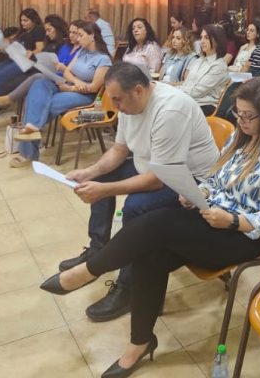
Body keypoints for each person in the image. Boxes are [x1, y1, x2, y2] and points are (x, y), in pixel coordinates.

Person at [40, 79, 260, 377]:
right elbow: (215, 180)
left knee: (157, 223)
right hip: (214, 216)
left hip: (246, 235)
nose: (240, 121)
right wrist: (197, 193)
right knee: (151, 251)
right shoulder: (240, 139)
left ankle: (89, 270)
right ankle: (140, 343)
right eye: (237, 113)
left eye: (248, 116)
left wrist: (231, 220)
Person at [55, 62, 219, 322]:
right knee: (100, 176)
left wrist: (105, 190)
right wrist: (90, 172)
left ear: (139, 91)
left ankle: (129, 287)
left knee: (136, 206)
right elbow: (119, 150)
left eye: (117, 100)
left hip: (192, 181)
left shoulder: (171, 109)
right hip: (152, 167)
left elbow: (157, 180)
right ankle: (98, 250)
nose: (115, 106)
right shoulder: (128, 103)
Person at [10, 22, 113, 167]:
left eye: (81, 35)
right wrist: (75, 81)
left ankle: (28, 153)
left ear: (92, 36)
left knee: (43, 103)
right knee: (39, 84)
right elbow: (66, 71)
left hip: (85, 97)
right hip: (70, 85)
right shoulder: (82, 51)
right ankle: (32, 128)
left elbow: (94, 88)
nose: (77, 39)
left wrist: (70, 88)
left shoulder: (103, 59)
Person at [0, 14, 74, 130]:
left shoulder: (65, 45)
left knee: (11, 83)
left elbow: (61, 66)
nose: (46, 33)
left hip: (49, 77)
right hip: (38, 70)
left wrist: (39, 59)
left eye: (49, 30)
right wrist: (33, 57)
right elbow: (46, 58)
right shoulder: (50, 42)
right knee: (8, 83)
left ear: (57, 28)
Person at [176, 24, 229, 114]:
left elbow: (196, 92)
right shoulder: (199, 60)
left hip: (206, 106)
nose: (202, 41)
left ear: (217, 41)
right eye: (201, 37)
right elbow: (187, 83)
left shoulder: (219, 66)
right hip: (190, 100)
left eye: (206, 38)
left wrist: (175, 91)